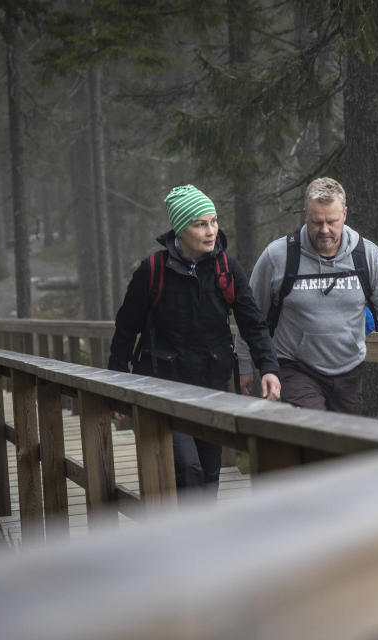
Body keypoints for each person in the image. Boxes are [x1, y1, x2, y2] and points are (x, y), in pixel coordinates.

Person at [108, 184, 281, 495]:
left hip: (211, 387)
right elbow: (126, 329)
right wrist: (117, 384)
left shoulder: (228, 269)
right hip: (162, 387)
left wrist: (268, 368)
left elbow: (253, 324)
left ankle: (203, 540)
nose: (211, 231)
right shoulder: (152, 271)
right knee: (189, 469)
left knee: (209, 474)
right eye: (200, 224)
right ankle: (189, 540)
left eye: (213, 221)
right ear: (180, 228)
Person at [237, 177, 378, 414]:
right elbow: (251, 314)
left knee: (344, 444)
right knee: (314, 432)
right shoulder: (278, 256)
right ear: (305, 215)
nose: (325, 230)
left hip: (349, 371)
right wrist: (245, 363)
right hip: (295, 367)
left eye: (332, 221)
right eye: (317, 222)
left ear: (345, 215)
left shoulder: (366, 255)